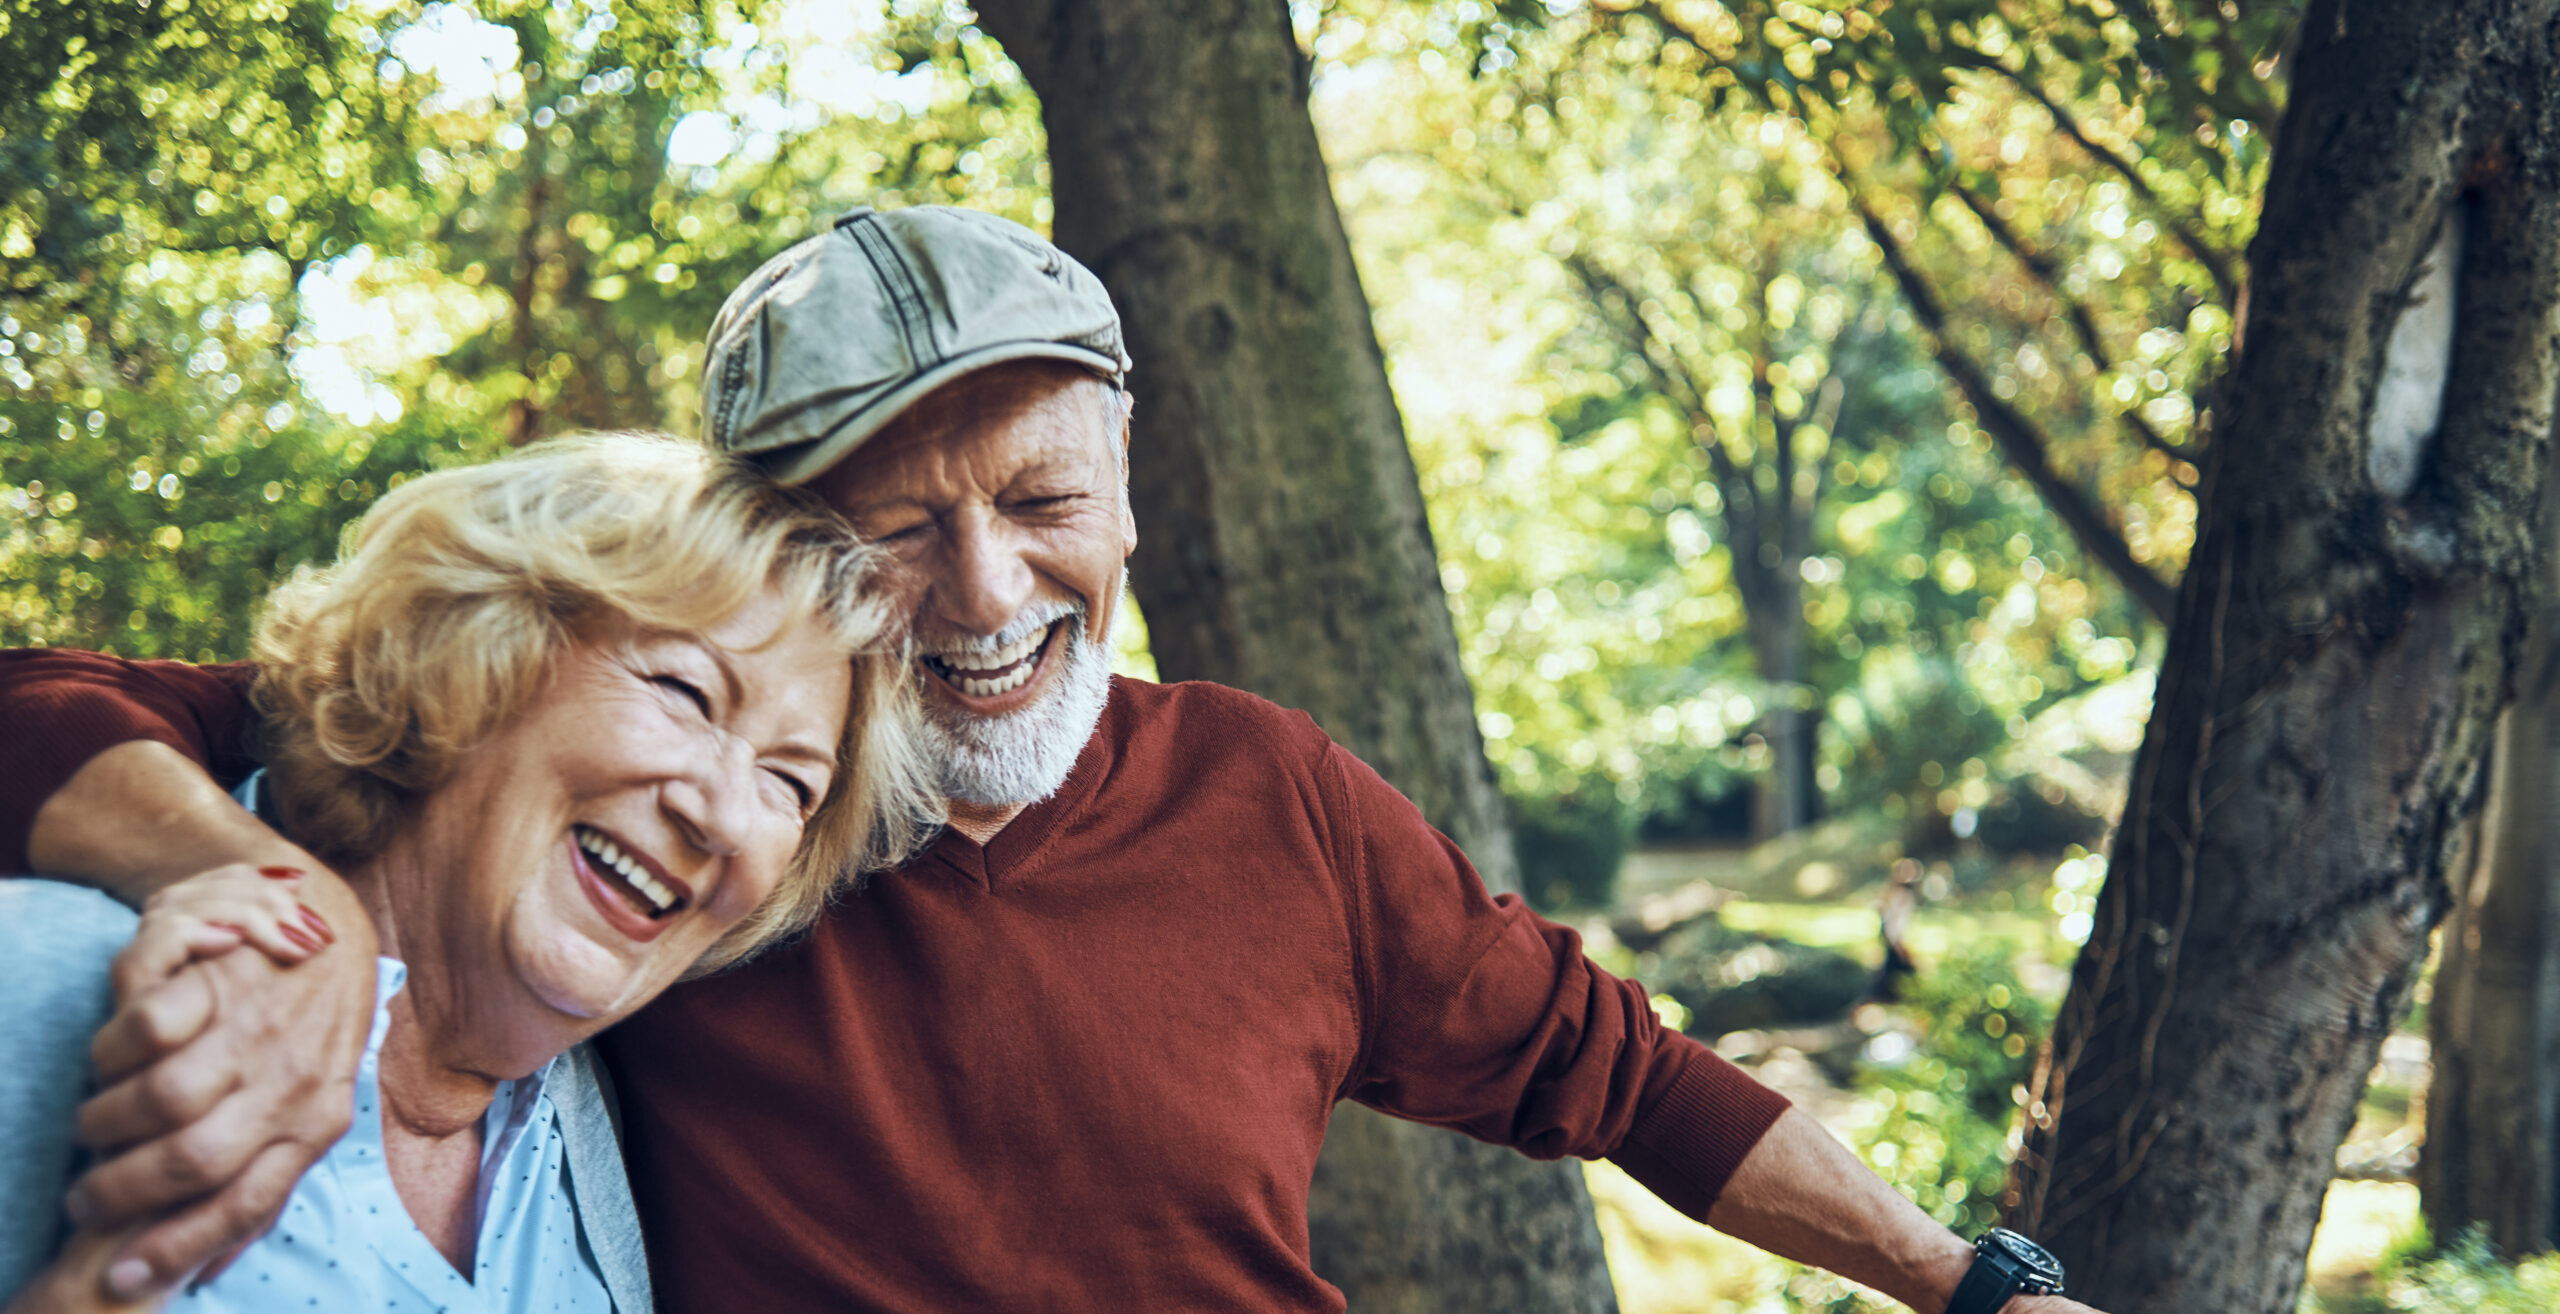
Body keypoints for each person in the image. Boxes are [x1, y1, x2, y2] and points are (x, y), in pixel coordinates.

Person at [0, 206, 2103, 1314]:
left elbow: (1614, 1067)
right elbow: (171, 714)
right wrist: (230, 875)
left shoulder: (1272, 795)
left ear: (1124, 486)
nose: (987, 587)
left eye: (1038, 497)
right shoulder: (648, 809)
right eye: (892, 531)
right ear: (771, 573)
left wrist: (1968, 1286)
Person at [0, 432, 938, 1312]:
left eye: (789, 781)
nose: (725, 815)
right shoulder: (61, 984)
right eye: (683, 690)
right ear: (473, 653)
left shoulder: (594, 1129)